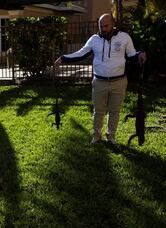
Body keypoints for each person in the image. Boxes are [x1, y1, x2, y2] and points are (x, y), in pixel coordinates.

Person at [54, 13, 146, 144]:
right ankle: (96, 135)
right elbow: (81, 54)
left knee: (115, 111)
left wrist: (139, 55)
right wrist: (63, 58)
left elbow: (131, 55)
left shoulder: (124, 37)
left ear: (113, 24)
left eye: (106, 26)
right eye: (101, 26)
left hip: (119, 82)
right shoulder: (94, 39)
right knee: (98, 111)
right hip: (99, 82)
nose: (103, 29)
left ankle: (111, 136)